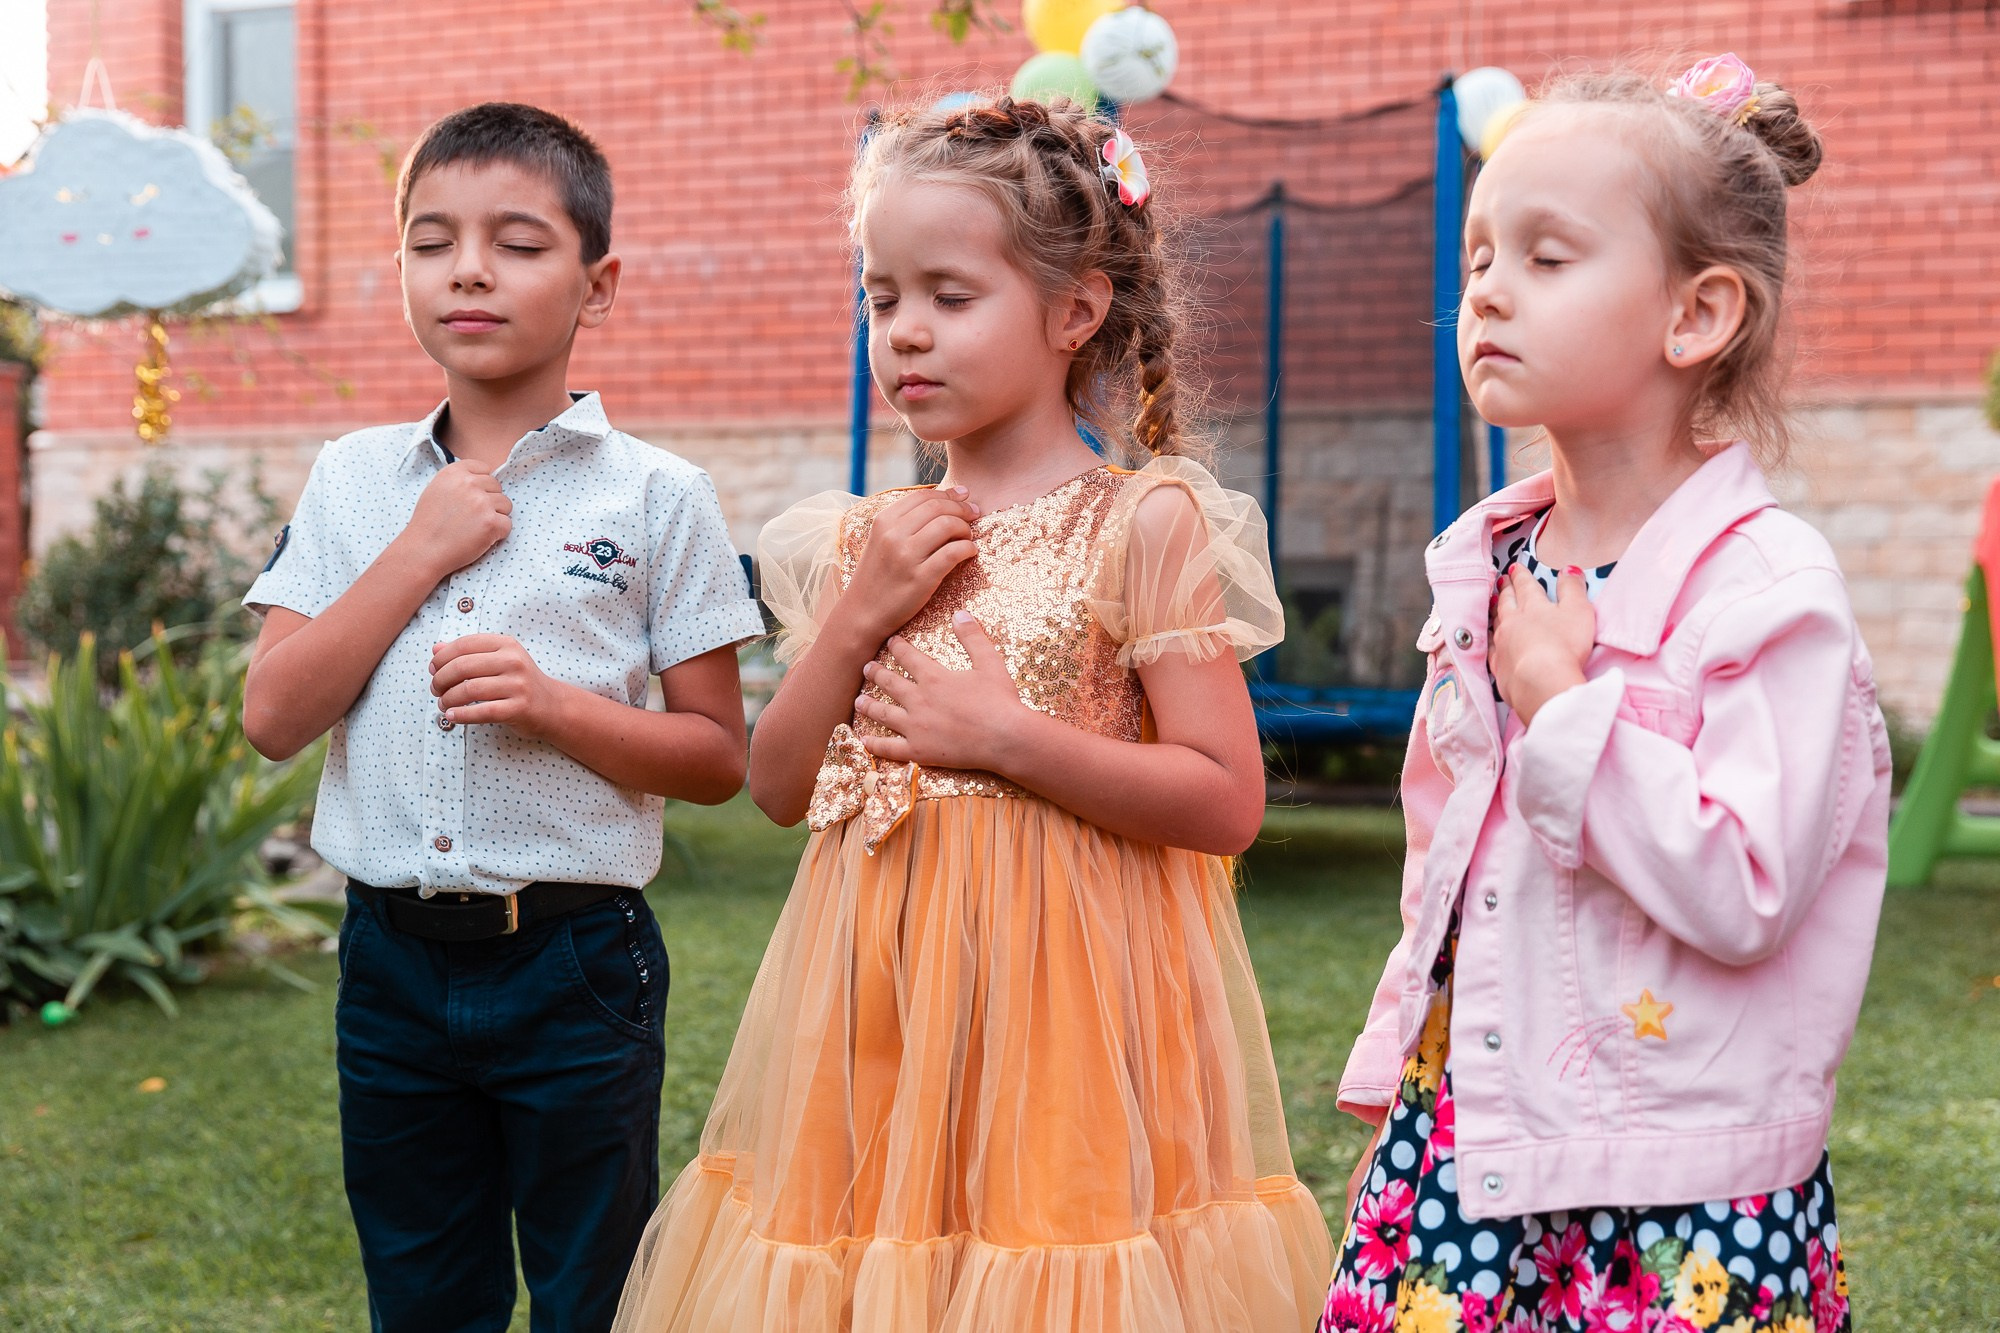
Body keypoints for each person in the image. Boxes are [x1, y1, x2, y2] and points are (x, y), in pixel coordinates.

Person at [614, 96, 1332, 1333]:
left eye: (950, 296)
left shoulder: (1143, 522)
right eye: (881, 297)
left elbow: (1225, 799)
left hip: (1068, 1004)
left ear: (1072, 312)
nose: (905, 335)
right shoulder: (857, 541)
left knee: (1044, 1263)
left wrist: (1006, 739)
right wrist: (855, 616)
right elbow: (776, 784)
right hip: (874, 997)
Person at [1320, 57, 1887, 1333]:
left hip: (1672, 1188)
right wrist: (1406, 1096)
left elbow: (1742, 887)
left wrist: (1563, 703)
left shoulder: (1766, 590)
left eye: (1545, 257)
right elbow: (1448, 866)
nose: (1485, 292)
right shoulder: (1490, 563)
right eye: (1476, 259)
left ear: (1694, 316)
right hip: (1471, 1137)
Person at [241, 102, 765, 1333]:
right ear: (404, 271)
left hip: (576, 965)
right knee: (422, 1292)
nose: (469, 267)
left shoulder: (656, 494)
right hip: (387, 966)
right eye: (433, 241)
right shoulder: (352, 479)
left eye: (519, 242)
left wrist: (553, 708)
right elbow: (273, 714)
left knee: (593, 1292)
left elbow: (715, 758)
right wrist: (416, 557)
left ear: (599, 281)